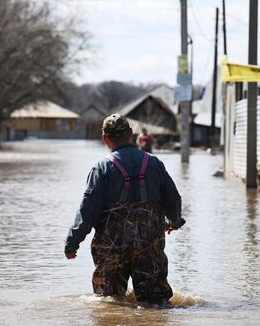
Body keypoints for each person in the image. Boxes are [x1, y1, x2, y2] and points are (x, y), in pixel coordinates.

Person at [64, 114, 185, 305]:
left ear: (105, 139)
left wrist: (72, 243)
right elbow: (173, 198)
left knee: (108, 303)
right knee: (156, 304)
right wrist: (175, 222)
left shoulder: (101, 168)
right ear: (130, 133)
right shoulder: (154, 164)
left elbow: (87, 211)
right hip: (149, 246)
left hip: (112, 248)